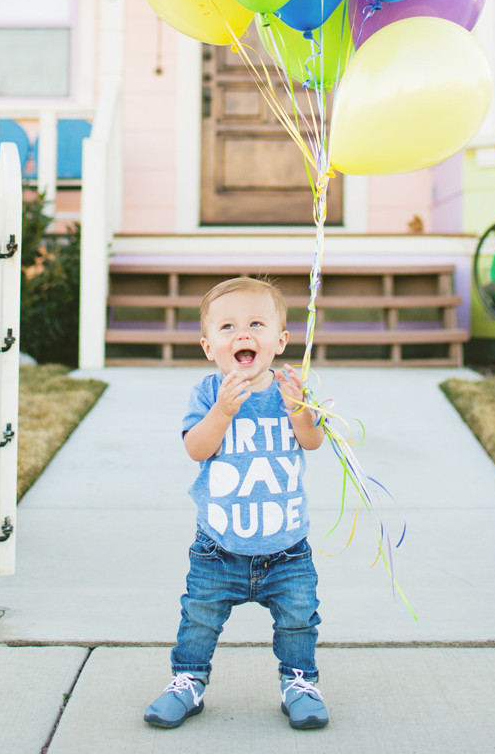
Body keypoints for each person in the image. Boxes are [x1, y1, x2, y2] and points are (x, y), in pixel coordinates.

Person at [144, 275, 328, 731]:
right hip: (218, 547)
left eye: (256, 324)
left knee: (298, 621)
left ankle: (300, 682)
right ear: (209, 347)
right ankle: (187, 681)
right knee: (199, 620)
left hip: (287, 549)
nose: (243, 334)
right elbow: (196, 449)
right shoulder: (209, 393)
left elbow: (314, 442)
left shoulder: (291, 388)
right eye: (227, 327)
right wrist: (223, 411)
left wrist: (299, 409)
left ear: (280, 340)